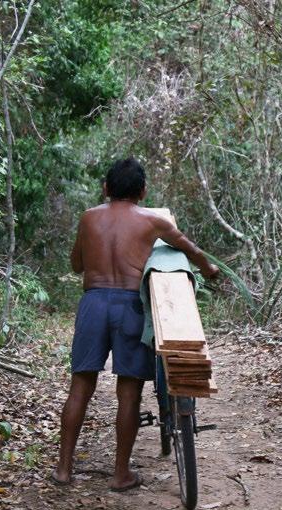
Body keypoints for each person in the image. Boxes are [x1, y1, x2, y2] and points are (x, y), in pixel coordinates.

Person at [52, 157, 219, 491]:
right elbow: (191, 249)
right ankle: (120, 474)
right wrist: (210, 269)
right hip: (130, 305)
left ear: (105, 188)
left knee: (80, 386)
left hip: (94, 303)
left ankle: (64, 470)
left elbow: (75, 264)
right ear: (143, 191)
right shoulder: (153, 221)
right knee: (129, 392)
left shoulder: (88, 218)